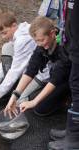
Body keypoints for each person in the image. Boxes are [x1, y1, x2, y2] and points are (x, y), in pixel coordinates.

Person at [4, 16, 71, 118]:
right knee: (34, 100)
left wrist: (34, 102)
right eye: (36, 41)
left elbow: (56, 78)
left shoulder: (64, 47)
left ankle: (67, 98)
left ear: (52, 33)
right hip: (57, 74)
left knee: (40, 108)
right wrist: (14, 96)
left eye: (41, 40)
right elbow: (31, 69)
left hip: (70, 77)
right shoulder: (42, 44)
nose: (39, 44)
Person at [0, 11, 50, 106]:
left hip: (41, 74)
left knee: (19, 101)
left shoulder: (22, 40)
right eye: (1, 34)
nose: (2, 37)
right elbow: (6, 62)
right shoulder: (20, 31)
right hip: (29, 69)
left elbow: (15, 70)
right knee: (7, 47)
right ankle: (11, 88)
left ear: (14, 25)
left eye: (4, 33)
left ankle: (43, 93)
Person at [48, 0, 79, 149]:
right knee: (75, 88)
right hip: (73, 48)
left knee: (77, 88)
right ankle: (71, 130)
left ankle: (74, 139)